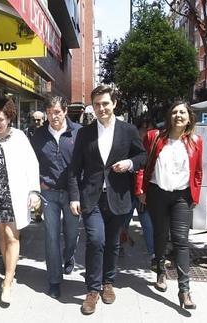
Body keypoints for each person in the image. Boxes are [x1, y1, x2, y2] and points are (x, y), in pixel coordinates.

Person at [67, 85, 146, 315]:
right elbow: (74, 169)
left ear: (114, 104)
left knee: (112, 243)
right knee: (96, 240)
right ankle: (92, 290)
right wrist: (74, 197)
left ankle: (108, 283)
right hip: (91, 197)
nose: (101, 108)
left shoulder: (128, 130)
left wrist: (129, 164)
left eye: (105, 104)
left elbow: (142, 156)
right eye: (97, 104)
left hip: (118, 197)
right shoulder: (85, 133)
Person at [135, 101, 203, 310]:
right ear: (169, 116)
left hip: (182, 196)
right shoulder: (154, 137)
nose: (178, 115)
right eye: (174, 112)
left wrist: (195, 197)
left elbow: (198, 172)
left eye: (182, 112)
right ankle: (161, 272)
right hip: (157, 194)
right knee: (161, 235)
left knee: (181, 240)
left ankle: (184, 290)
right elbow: (143, 165)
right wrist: (141, 190)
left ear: (189, 117)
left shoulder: (195, 141)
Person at [0, 96, 40, 305]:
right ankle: (9, 271)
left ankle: (7, 282)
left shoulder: (20, 137)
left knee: (13, 237)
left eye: (1, 119)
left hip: (15, 194)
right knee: (1, 236)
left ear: (9, 118)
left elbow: (32, 164)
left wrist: (33, 192)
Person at [30, 96, 81, 299]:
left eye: (57, 112)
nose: (54, 117)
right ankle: (54, 280)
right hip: (48, 192)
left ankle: (69, 257)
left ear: (65, 111)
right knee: (51, 236)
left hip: (72, 193)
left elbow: (83, 163)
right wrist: (36, 188)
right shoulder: (39, 135)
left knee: (71, 234)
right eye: (50, 113)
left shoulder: (77, 132)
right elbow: (31, 162)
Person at [120, 119, 157, 263]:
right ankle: (119, 246)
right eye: (143, 129)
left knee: (147, 224)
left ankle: (154, 254)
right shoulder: (130, 145)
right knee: (123, 222)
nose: (146, 133)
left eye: (150, 129)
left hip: (144, 194)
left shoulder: (154, 147)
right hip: (127, 192)